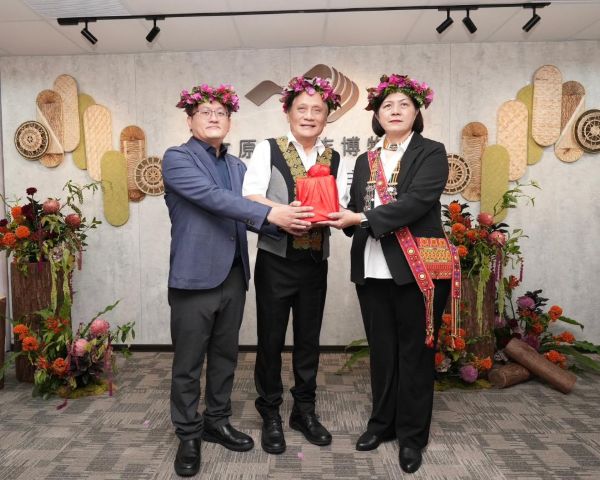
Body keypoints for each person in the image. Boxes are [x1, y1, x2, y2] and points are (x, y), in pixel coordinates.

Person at [163, 83, 314, 477]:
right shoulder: (177, 159)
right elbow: (214, 198)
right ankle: (188, 434)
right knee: (188, 363)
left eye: (221, 113)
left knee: (225, 357)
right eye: (205, 112)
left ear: (230, 122)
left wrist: (291, 221)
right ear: (190, 120)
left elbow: (248, 211)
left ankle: (217, 420)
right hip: (194, 277)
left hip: (233, 276)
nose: (214, 118)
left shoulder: (237, 167)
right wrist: (272, 214)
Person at [323, 74, 457, 474]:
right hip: (372, 267)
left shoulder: (431, 152)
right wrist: (336, 215)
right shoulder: (364, 159)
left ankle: (412, 436)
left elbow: (418, 201)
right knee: (382, 351)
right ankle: (381, 424)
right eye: (387, 106)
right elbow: (354, 207)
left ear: (416, 113)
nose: (395, 111)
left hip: (417, 270)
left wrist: (360, 217)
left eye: (403, 105)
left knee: (415, 353)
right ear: (377, 116)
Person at [242, 76, 349, 454]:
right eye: (301, 108)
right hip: (275, 260)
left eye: (317, 110)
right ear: (287, 112)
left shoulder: (334, 158)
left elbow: (341, 202)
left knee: (308, 340)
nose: (309, 115)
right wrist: (282, 213)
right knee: (270, 340)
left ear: (326, 117)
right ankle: (270, 410)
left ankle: (304, 410)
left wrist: (337, 215)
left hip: (315, 261)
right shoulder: (267, 149)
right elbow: (250, 195)